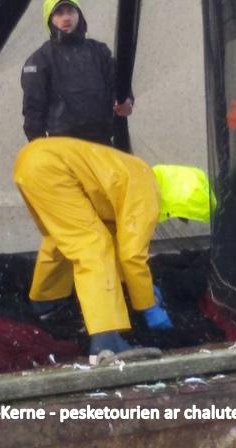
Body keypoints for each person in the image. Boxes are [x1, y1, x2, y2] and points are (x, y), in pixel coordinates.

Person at [13, 137, 214, 365]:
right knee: (94, 247)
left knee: (64, 239)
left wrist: (141, 287)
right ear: (180, 204)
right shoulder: (148, 195)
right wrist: (148, 306)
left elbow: (118, 241)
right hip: (50, 168)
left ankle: (47, 303)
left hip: (32, 160)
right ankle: (106, 342)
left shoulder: (138, 174)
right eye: (183, 216)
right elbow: (132, 256)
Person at [21, 0, 134, 146]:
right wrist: (41, 147)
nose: (66, 17)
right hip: (63, 147)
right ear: (49, 19)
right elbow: (33, 109)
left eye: (71, 11)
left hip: (102, 144)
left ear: (79, 15)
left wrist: (126, 100)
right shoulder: (40, 60)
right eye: (59, 13)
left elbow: (118, 83)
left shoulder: (99, 51)